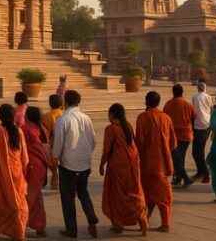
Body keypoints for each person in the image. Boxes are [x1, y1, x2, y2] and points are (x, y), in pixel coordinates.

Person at [52, 90, 99, 238]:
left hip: (68, 165)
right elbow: (93, 141)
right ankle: (92, 220)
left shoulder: (63, 119)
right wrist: (84, 155)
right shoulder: (86, 118)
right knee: (83, 193)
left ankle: (71, 229)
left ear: (66, 102)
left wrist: (55, 157)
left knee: (68, 197)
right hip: (85, 164)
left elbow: (58, 144)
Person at [100, 103, 148, 235]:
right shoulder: (128, 126)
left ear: (112, 115)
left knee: (118, 196)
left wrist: (101, 165)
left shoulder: (110, 129)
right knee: (134, 193)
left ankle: (118, 223)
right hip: (132, 165)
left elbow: (107, 150)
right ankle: (142, 218)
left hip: (117, 167)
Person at [0, 104, 29, 239]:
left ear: (0, 116)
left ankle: (17, 232)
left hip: (0, 173)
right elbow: (24, 156)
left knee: (1, 201)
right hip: (17, 172)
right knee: (17, 201)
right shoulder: (18, 131)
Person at [136, 91, 176, 232]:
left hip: (147, 164)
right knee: (163, 195)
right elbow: (173, 143)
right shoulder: (166, 118)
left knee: (148, 194)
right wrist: (165, 152)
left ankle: (147, 220)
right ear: (158, 102)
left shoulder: (142, 118)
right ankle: (162, 222)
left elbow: (139, 142)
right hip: (162, 164)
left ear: (146, 102)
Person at [23, 106, 51, 237]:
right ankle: (40, 226)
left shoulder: (25, 129)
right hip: (41, 166)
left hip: (31, 167)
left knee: (29, 198)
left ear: (27, 117)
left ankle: (21, 226)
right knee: (37, 197)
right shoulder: (43, 128)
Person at [162, 84, 196, 189]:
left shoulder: (168, 104)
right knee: (180, 158)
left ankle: (184, 178)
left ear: (173, 92)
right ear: (182, 92)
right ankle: (178, 178)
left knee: (177, 159)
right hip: (186, 135)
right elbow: (193, 117)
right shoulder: (187, 104)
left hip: (173, 136)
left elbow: (165, 120)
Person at [190, 81, 213, 184]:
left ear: (197, 88)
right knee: (199, 151)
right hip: (207, 125)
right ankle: (200, 171)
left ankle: (205, 173)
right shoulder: (208, 97)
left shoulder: (195, 97)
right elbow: (211, 109)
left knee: (197, 152)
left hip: (198, 126)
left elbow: (194, 111)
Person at [42, 94, 64, 190]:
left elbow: (44, 130)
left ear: (50, 104)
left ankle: (54, 179)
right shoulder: (63, 114)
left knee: (53, 163)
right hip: (63, 140)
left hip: (51, 141)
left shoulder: (46, 115)